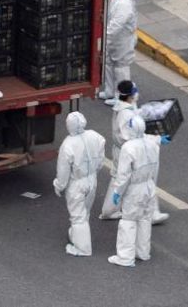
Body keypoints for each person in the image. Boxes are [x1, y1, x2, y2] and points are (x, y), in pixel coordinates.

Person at [106, 115, 171, 267]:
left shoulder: (128, 148)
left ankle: (125, 257)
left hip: (135, 189)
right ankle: (142, 252)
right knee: (144, 219)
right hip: (149, 186)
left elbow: (124, 174)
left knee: (128, 221)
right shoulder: (151, 143)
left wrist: (117, 192)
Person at [53, 111, 106, 256]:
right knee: (85, 211)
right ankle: (76, 236)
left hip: (77, 183)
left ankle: (82, 248)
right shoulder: (95, 136)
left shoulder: (68, 144)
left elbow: (63, 170)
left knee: (77, 216)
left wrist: (59, 185)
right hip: (92, 179)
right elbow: (101, 157)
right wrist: (95, 169)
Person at [100, 80, 138, 220]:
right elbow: (127, 136)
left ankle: (114, 207)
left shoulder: (121, 108)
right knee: (120, 178)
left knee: (122, 177)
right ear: (131, 95)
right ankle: (109, 210)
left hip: (120, 149)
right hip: (125, 150)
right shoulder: (126, 114)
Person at [99, 0, 137, 101]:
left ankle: (122, 96)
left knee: (121, 68)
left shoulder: (125, 4)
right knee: (109, 64)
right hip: (114, 40)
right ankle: (110, 91)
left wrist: (105, 36)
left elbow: (117, 24)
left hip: (122, 41)